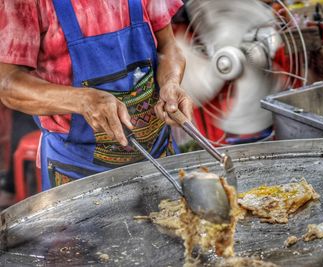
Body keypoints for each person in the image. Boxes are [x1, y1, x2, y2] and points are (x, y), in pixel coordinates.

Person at [0, 0, 192, 190]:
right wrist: (83, 100)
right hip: (78, 169)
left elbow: (168, 48)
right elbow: (8, 84)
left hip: (158, 154)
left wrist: (171, 82)